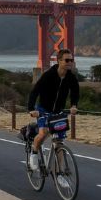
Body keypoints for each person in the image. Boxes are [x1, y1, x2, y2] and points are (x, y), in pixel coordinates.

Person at [26, 49, 79, 180]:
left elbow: (75, 92)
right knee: (43, 133)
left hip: (58, 111)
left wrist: (73, 105)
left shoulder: (71, 77)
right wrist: (31, 109)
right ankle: (33, 153)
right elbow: (35, 91)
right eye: (67, 60)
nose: (70, 63)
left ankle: (59, 174)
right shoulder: (48, 75)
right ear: (59, 61)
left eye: (71, 60)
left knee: (59, 143)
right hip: (43, 109)